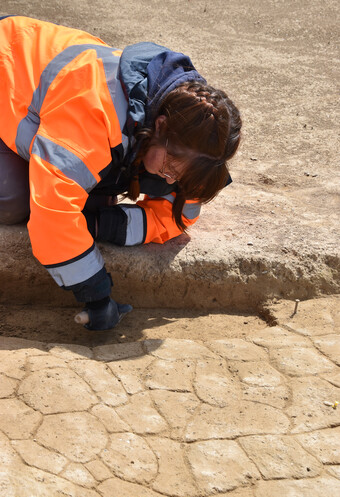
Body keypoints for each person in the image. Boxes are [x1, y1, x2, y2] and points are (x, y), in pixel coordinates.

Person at [0, 15, 242, 330]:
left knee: (88, 202)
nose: (170, 180)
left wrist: (103, 225)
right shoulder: (97, 110)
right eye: (170, 169)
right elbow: (53, 211)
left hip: (54, 110)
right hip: (8, 65)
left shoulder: (196, 142)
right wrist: (96, 293)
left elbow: (181, 214)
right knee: (14, 198)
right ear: (160, 126)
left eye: (178, 177)